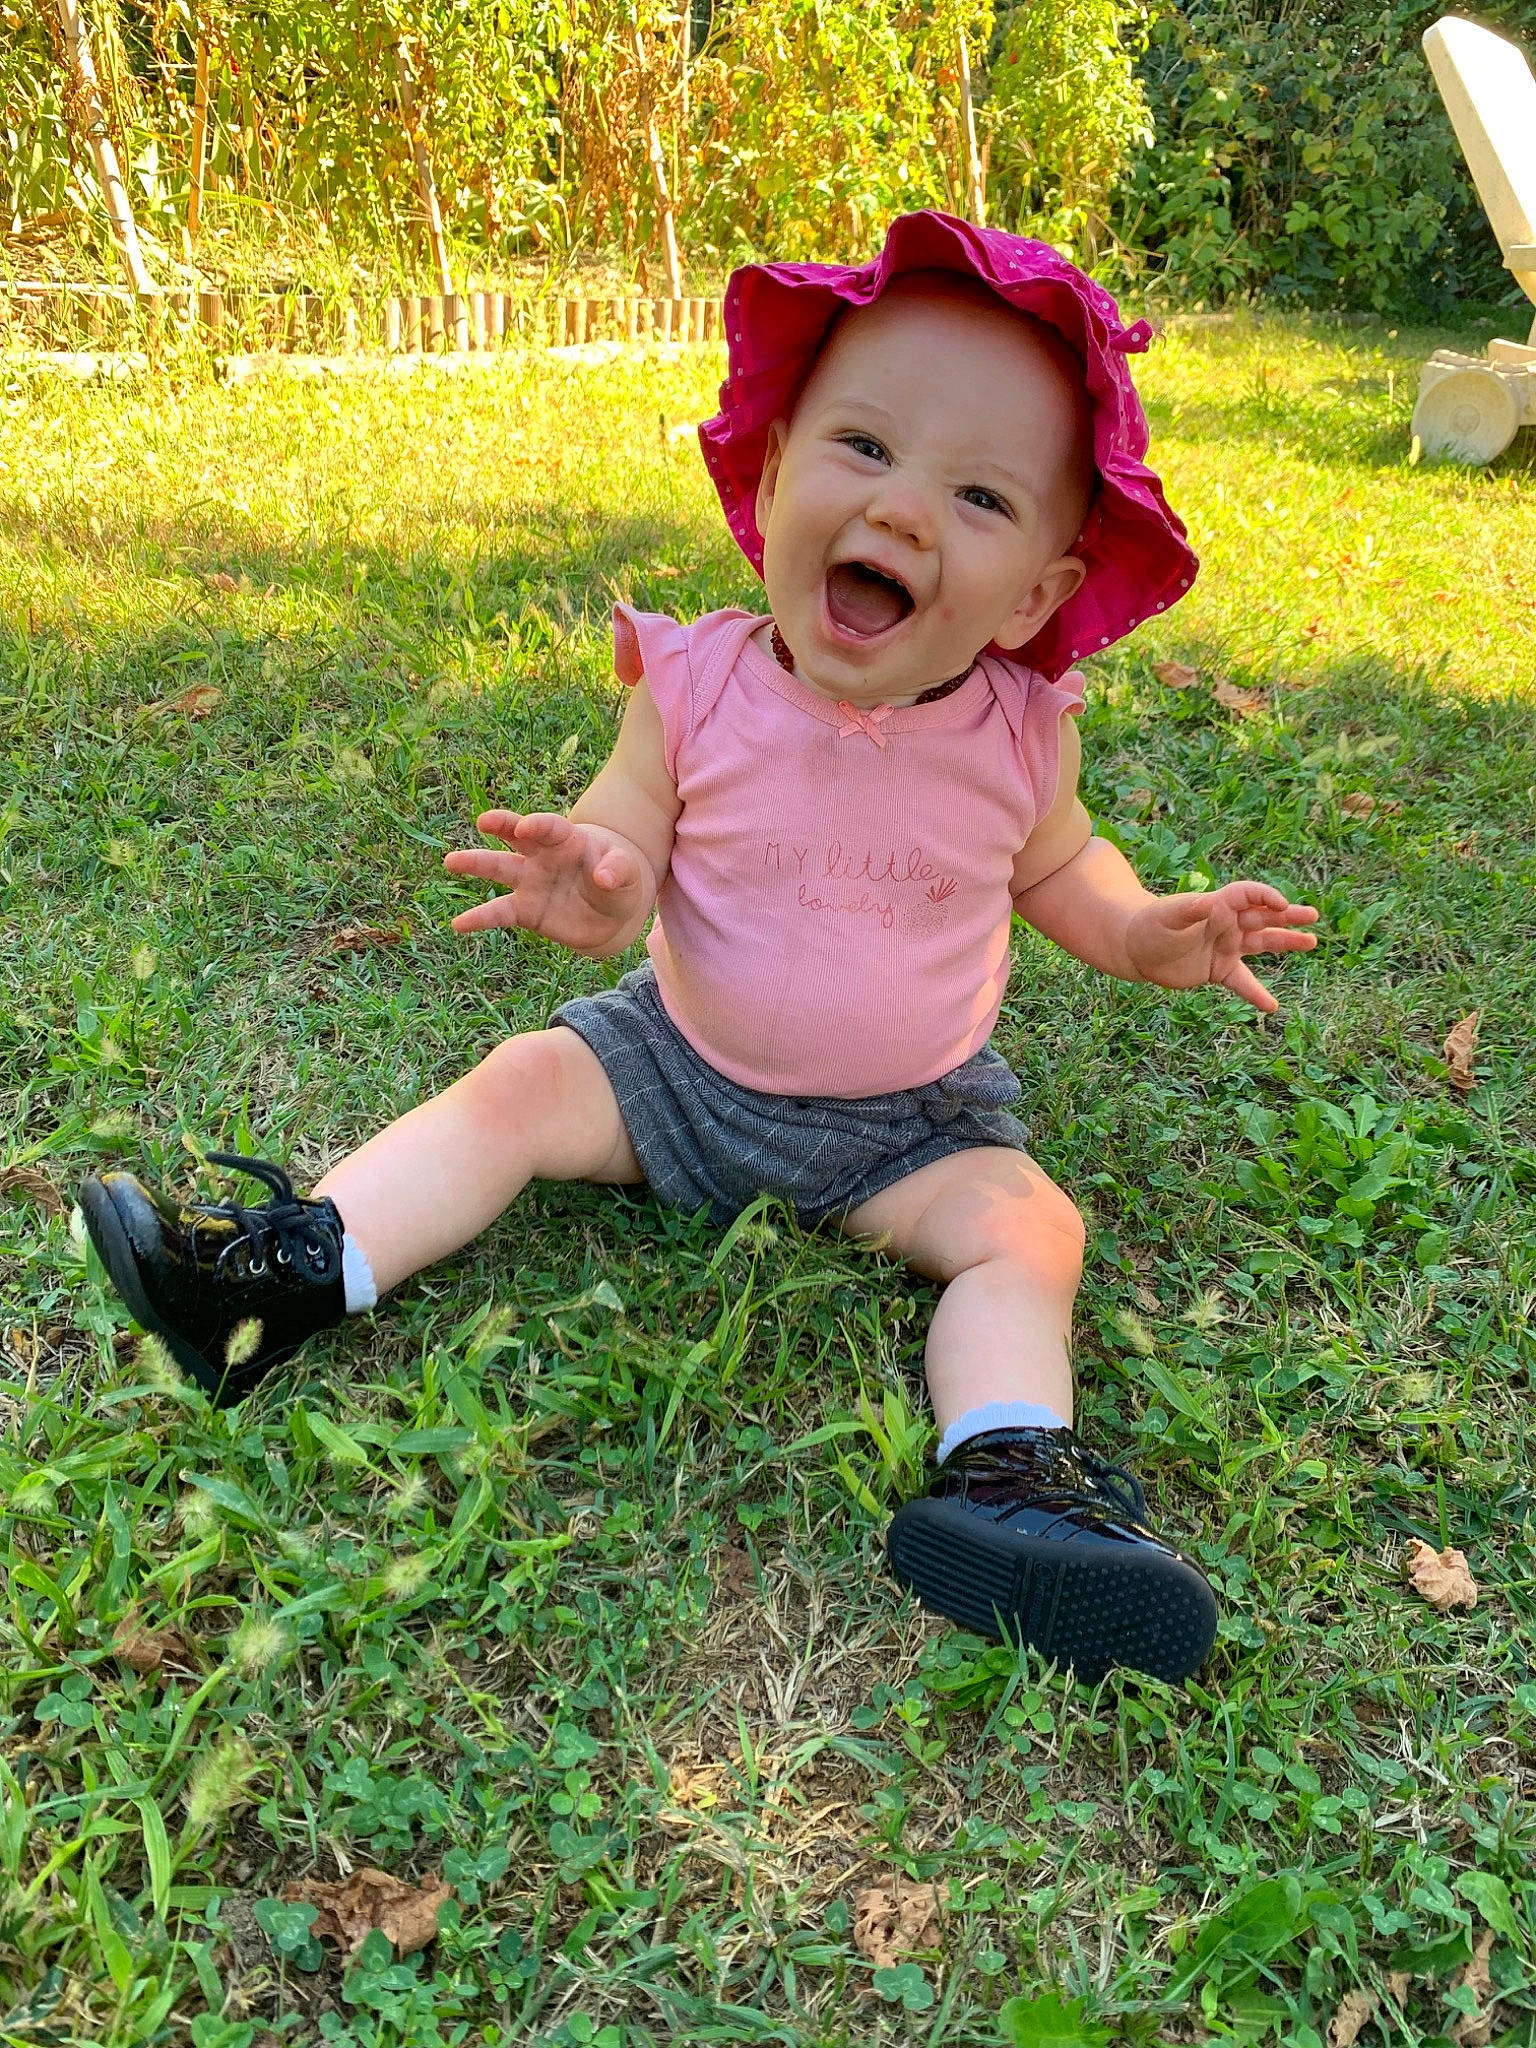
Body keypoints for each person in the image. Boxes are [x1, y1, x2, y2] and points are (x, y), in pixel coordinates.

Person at [79, 212, 1318, 1686]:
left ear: (1043, 592)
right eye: (864, 450)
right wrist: (603, 880)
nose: (906, 513)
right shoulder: (695, 681)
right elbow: (624, 837)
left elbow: (1064, 872)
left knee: (1033, 1231)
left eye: (979, 495)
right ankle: (288, 1269)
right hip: (676, 1072)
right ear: (777, 465)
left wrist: (1142, 929)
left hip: (909, 1126)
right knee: (520, 1084)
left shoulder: (1019, 737)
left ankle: (1012, 1480)